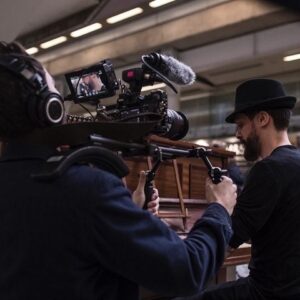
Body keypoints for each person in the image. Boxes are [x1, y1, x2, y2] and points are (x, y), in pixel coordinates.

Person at [0, 41, 237, 300]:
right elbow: (189, 270)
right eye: (53, 88)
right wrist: (220, 209)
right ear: (48, 106)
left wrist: (128, 212)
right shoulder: (86, 190)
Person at [175, 78, 300, 300]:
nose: (237, 134)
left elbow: (223, 244)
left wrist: (217, 206)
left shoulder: (269, 170)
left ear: (262, 119)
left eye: (241, 124)